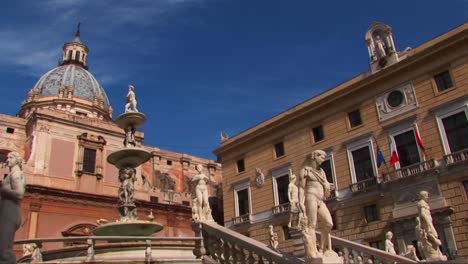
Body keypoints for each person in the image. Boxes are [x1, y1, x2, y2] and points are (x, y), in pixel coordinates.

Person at [298, 150, 335, 258]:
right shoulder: (305, 171)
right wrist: (300, 202)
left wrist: (328, 186)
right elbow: (301, 187)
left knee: (329, 224)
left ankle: (322, 248)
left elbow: (325, 185)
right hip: (311, 197)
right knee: (312, 225)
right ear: (315, 156)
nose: (323, 159)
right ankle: (313, 251)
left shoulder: (322, 172)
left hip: (321, 200)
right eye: (322, 157)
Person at [0, 152, 26, 264]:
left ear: (17, 160)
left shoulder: (15, 174)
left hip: (10, 210)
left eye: (11, 157)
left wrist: (4, 190)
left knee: (3, 248)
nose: (7, 160)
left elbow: (20, 194)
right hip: (10, 210)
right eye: (7, 157)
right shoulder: (16, 173)